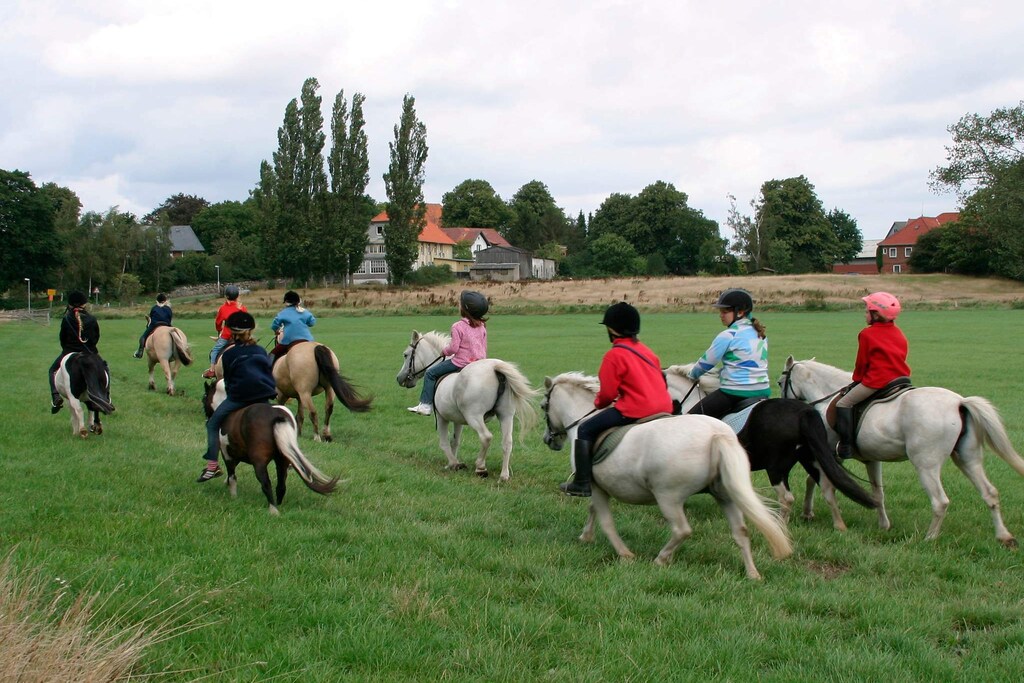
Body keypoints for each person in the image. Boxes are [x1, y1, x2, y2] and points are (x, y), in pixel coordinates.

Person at [560, 302, 673, 497]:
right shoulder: (648, 352)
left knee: (584, 429)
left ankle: (582, 483)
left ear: (611, 330)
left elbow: (607, 396)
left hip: (636, 410)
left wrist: (598, 403)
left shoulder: (614, 355)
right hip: (664, 407)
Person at [197, 311, 278, 482]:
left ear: (232, 333)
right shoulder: (261, 350)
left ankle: (212, 466)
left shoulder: (228, 354)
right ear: (251, 330)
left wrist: (234, 394)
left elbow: (229, 381)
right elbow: (268, 374)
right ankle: (287, 456)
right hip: (263, 397)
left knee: (212, 424)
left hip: (239, 397)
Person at [835, 291, 911, 459]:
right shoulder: (899, 333)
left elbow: (862, 363)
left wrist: (857, 380)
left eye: (866, 311)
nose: (865, 314)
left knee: (843, 403)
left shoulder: (867, 334)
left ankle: (846, 447)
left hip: (877, 381)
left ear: (876, 314)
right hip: (900, 379)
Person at [686, 288, 770, 419]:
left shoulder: (728, 335)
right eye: (720, 312)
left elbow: (706, 363)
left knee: (691, 419)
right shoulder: (760, 334)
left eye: (725, 312)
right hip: (763, 391)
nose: (721, 315)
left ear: (740, 312)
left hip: (734, 392)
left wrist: (692, 375)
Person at [407, 290, 489, 416]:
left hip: (460, 362)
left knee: (430, 373)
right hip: (479, 363)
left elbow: (454, 349)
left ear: (465, 309)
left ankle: (425, 405)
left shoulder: (457, 326)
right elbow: (484, 347)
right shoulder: (482, 326)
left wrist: (444, 351)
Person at [48, 290, 100, 413]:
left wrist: (67, 349)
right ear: (84, 304)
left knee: (52, 370)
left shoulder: (67, 318)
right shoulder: (92, 319)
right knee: (104, 369)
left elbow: (62, 338)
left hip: (69, 351)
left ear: (70, 304)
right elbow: (96, 337)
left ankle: (56, 397)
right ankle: (106, 397)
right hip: (89, 352)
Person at [203, 284, 246, 379]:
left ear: (226, 296)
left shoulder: (223, 308)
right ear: (237, 296)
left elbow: (218, 322)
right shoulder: (242, 308)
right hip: (241, 336)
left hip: (227, 335)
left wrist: (219, 330)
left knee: (214, 351)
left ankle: (212, 371)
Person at [269, 290, 316, 363]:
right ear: (298, 302)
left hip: (289, 340)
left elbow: (274, 325)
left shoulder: (283, 313)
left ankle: (267, 368)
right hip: (307, 339)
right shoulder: (304, 311)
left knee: (272, 354)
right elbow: (312, 323)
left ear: (286, 302)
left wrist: (277, 331)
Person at [133, 293, 173, 358]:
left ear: (157, 301)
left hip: (155, 324)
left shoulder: (154, 308)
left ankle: (140, 352)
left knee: (143, 337)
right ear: (165, 301)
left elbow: (151, 318)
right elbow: (170, 318)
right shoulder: (168, 308)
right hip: (167, 324)